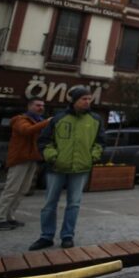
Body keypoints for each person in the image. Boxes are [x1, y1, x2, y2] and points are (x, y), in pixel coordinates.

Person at [29, 86, 103, 250]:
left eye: (89, 99)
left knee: (74, 204)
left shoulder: (95, 120)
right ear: (74, 100)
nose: (87, 102)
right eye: (83, 99)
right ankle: (46, 236)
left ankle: (67, 236)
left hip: (81, 168)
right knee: (49, 203)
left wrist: (93, 157)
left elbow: (100, 142)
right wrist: (52, 157)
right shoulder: (59, 118)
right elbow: (45, 140)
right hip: (57, 167)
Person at [0, 98, 50, 230]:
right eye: (37, 105)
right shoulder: (20, 120)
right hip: (19, 158)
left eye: (42, 105)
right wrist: (47, 122)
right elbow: (26, 131)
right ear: (29, 106)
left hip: (32, 158)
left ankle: (10, 216)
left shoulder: (38, 121)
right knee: (11, 189)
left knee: (22, 190)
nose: (41, 107)